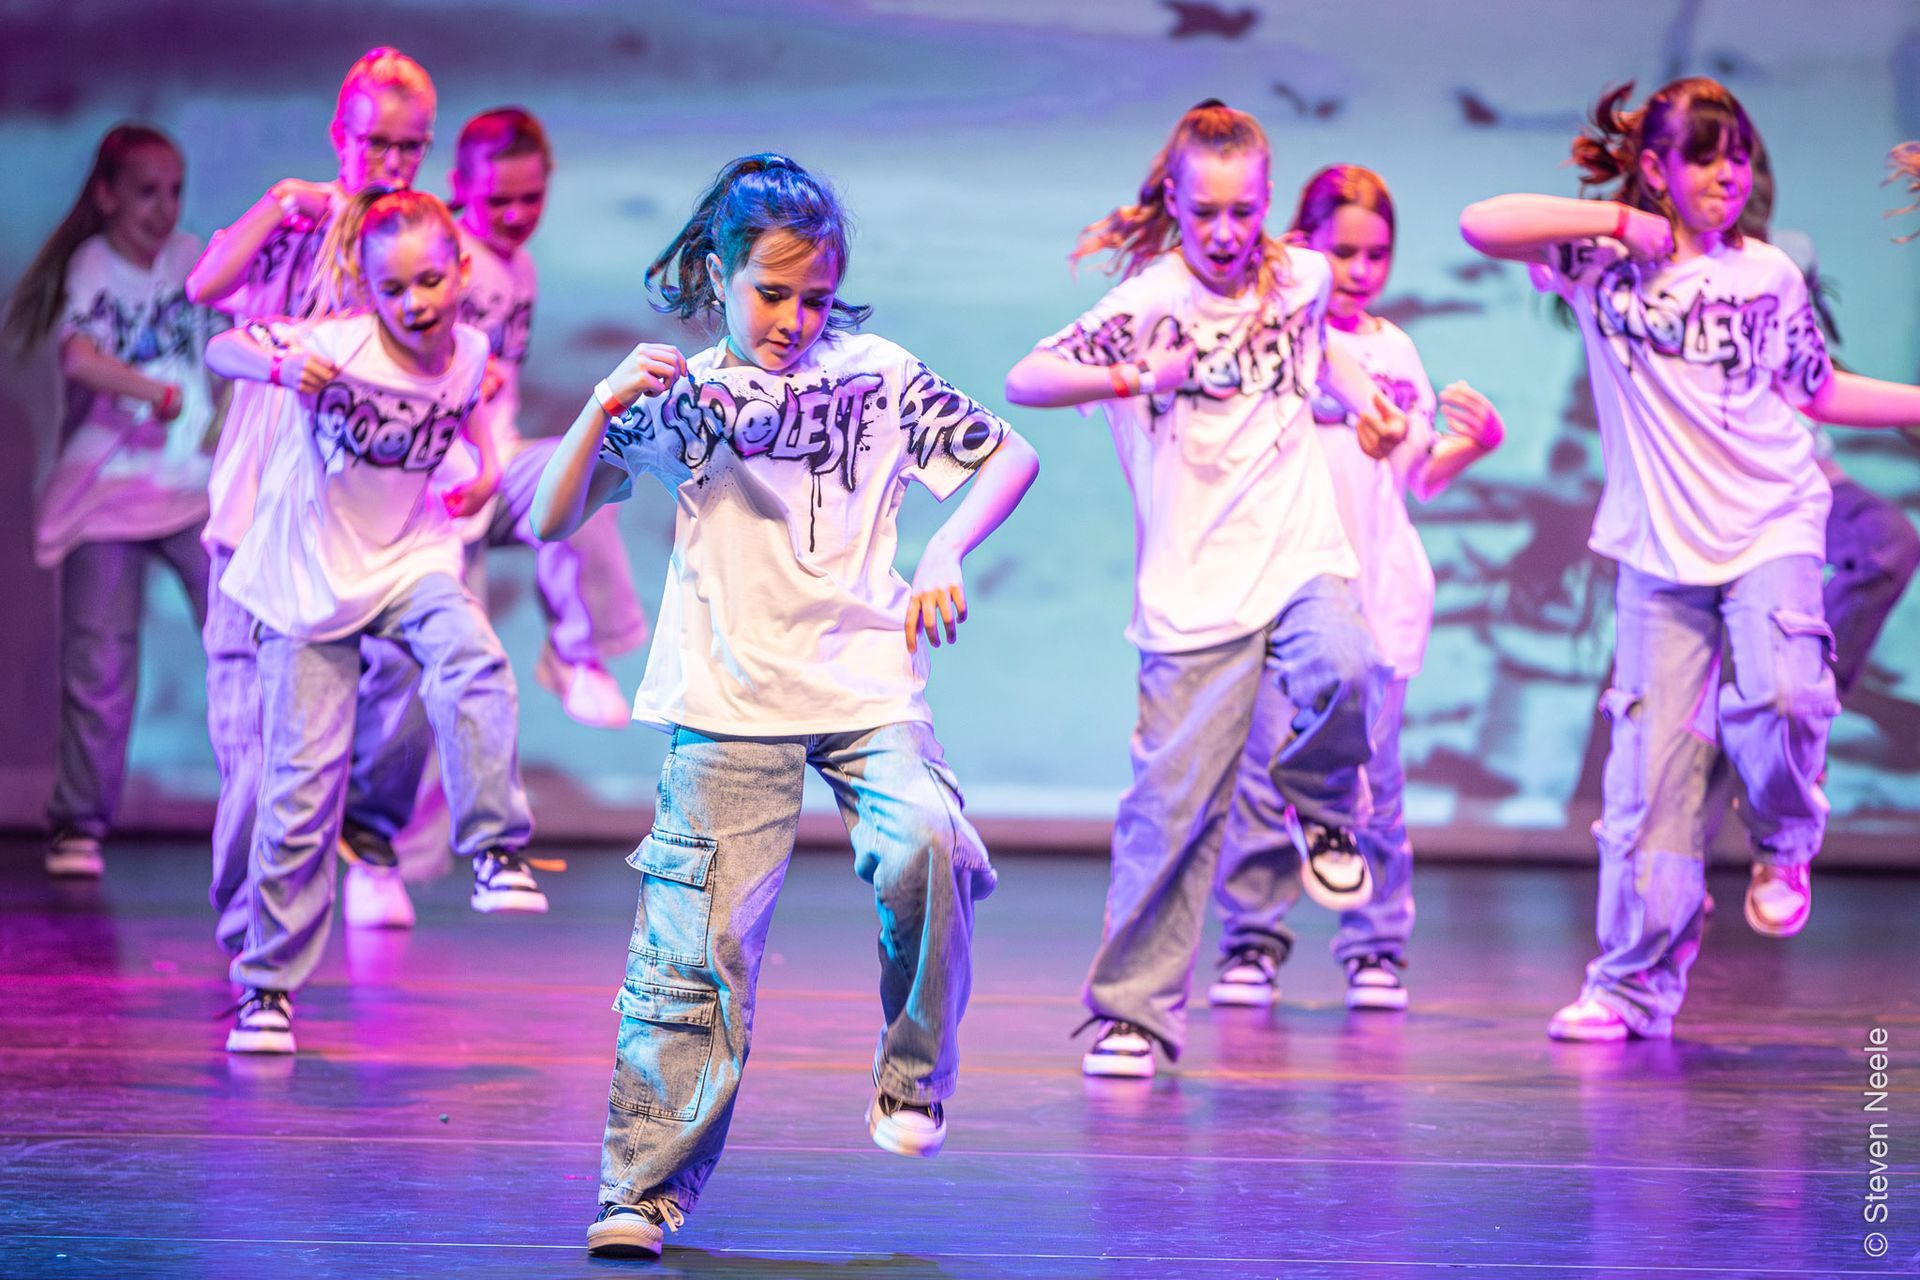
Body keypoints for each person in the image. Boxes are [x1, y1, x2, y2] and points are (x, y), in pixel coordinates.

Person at [530, 153, 1038, 1260]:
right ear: (720, 272)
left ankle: (915, 1074)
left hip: (865, 686)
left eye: (815, 297)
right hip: (728, 698)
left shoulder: (878, 372)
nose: (796, 319)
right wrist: (601, 403)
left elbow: (1012, 454)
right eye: (773, 292)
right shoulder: (682, 395)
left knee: (932, 839)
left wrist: (948, 541)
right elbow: (549, 516)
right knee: (694, 948)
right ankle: (643, 1187)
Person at [1461, 76, 1920, 1041]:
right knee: (1650, 786)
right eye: (1703, 156)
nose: (1727, 175)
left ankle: (1785, 844)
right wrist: (1626, 229)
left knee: (1789, 695)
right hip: (1659, 557)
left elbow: (1818, 389)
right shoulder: (1598, 263)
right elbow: (1480, 223)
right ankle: (1631, 988)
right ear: (1658, 169)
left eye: (1738, 155)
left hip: (1771, 527)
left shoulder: (1769, 275)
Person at [1004, 100, 1403, 1080]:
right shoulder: (1149, 297)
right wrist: (1141, 374)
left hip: (1300, 552)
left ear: (1267, 205)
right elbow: (1028, 378)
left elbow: (1329, 350)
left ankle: (1321, 800)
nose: (1227, 233)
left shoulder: (1299, 275)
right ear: (1176, 202)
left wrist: (1370, 407)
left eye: (1246, 212)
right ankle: (1132, 1012)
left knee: (1349, 663)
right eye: (1207, 213)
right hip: (1191, 587)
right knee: (1170, 814)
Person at [209, 188, 542, 1055]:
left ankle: (497, 850)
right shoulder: (336, 344)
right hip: (310, 580)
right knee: (301, 791)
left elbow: (471, 405)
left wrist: (486, 469)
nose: (416, 304)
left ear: (460, 274)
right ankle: (266, 990)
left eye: (431, 281)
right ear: (367, 289)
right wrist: (279, 367)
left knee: (472, 657)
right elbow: (222, 344)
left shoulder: (468, 348)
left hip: (409, 557)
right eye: (393, 290)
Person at [1208, 165, 1504, 1013]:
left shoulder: (1394, 349)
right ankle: (1252, 941)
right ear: (1301, 245)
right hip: (1283, 593)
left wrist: (1472, 447)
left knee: (1373, 784)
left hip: (1378, 592)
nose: (1364, 269)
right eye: (1344, 251)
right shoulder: (1272, 341)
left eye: (1378, 254)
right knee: (1266, 780)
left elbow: (1418, 476)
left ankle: (1376, 946)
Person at [187, 46, 441, 939]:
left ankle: (350, 857)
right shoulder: (299, 231)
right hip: (251, 522)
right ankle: (247, 930)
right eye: (377, 144)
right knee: (251, 759)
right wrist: (284, 201)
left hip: (350, 535)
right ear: (342, 136)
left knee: (367, 711)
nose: (394, 165)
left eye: (412, 148)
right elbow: (205, 287)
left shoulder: (409, 248)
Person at [2, 124, 220, 878]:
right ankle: (77, 825)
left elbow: (236, 333)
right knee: (100, 663)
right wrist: (151, 388)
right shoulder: (93, 265)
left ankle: (275, 808)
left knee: (242, 640)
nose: (163, 209)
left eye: (174, 190)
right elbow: (79, 356)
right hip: (106, 495)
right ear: (106, 195)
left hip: (190, 488)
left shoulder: (194, 259)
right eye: (145, 192)